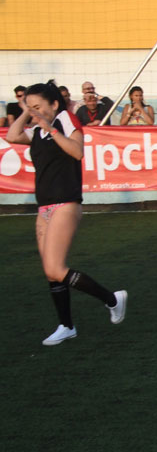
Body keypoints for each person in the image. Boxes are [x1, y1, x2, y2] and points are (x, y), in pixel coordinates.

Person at [4, 81, 127, 346]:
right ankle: (66, 326)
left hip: (66, 203)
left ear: (55, 104)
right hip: (44, 207)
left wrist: (49, 127)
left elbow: (77, 151)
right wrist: (28, 112)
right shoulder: (38, 130)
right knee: (51, 272)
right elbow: (12, 136)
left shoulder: (65, 121)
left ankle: (112, 299)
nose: (35, 112)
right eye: (31, 107)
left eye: (39, 106)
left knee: (55, 267)